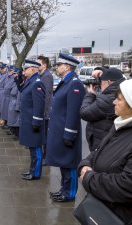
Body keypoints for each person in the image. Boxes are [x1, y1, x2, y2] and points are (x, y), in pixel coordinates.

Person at [78, 78, 132, 225]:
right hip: (103, 208)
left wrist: (89, 178)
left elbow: (131, 187)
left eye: (119, 99)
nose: (114, 102)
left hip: (118, 217)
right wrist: (85, 164)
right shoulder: (123, 123)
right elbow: (99, 150)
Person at [46, 53, 85, 202]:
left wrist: (69, 134)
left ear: (67, 66)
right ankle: (64, 189)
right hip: (60, 130)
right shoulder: (66, 81)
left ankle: (70, 194)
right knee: (63, 163)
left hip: (68, 132)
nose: (56, 67)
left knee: (70, 163)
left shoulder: (74, 83)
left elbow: (73, 112)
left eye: (59, 65)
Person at [80, 68, 125, 151]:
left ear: (108, 82)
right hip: (112, 141)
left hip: (103, 143)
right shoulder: (120, 91)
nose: (100, 85)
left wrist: (90, 95)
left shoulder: (108, 99)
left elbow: (84, 113)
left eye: (101, 82)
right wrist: (102, 71)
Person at [18, 59, 46, 180]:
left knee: (36, 149)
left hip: (33, 121)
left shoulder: (37, 83)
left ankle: (35, 173)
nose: (24, 71)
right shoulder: (30, 81)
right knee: (32, 148)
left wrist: (36, 121)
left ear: (33, 69)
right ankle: (32, 170)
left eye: (26, 69)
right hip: (28, 120)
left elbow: (39, 105)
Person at [37, 55, 53, 165]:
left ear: (44, 65)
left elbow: (46, 95)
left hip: (45, 111)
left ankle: (46, 157)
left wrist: (43, 111)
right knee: (43, 133)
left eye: (38, 64)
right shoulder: (41, 75)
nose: (36, 65)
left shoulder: (47, 76)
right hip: (43, 110)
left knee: (46, 135)